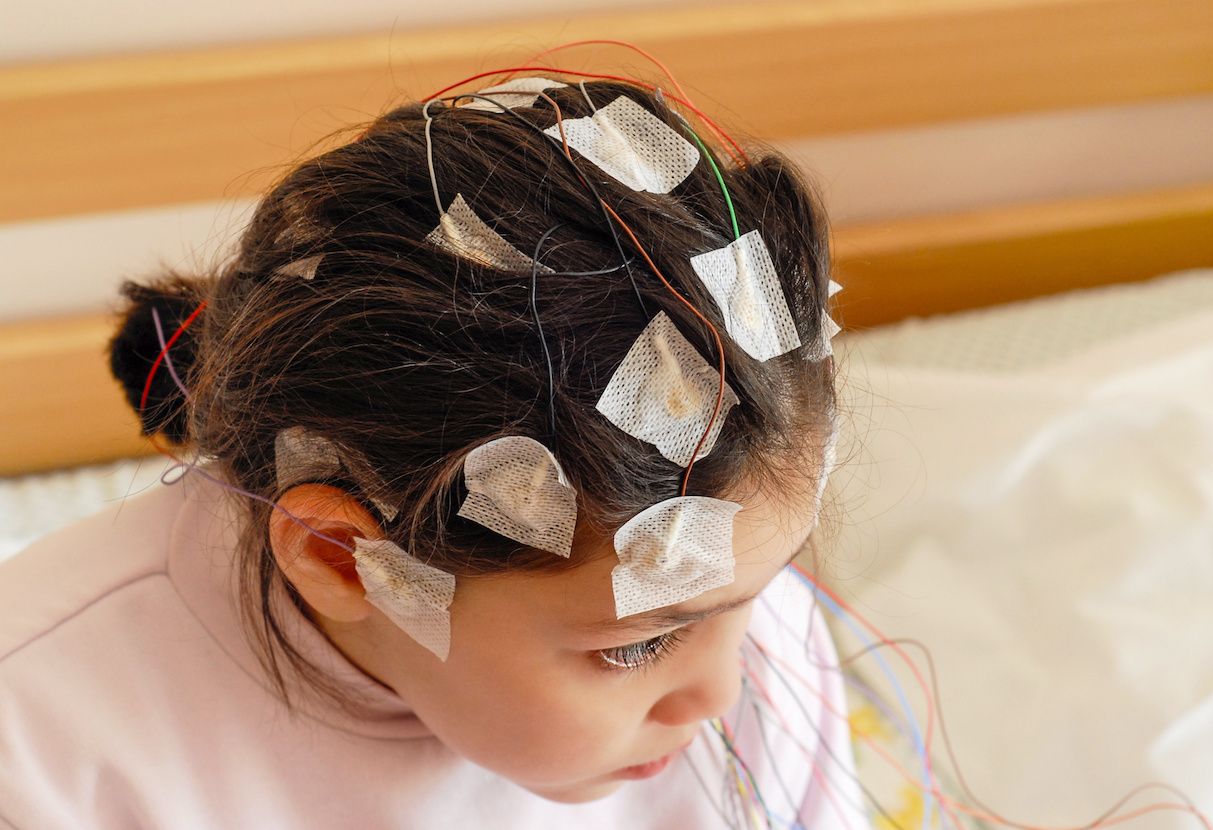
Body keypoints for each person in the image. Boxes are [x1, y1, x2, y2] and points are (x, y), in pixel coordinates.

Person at [0, 69, 863, 828]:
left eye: (766, 588)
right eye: (635, 647)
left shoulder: (731, 612)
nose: (725, 693)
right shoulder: (38, 741)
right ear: (346, 558)